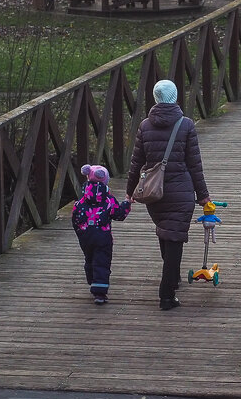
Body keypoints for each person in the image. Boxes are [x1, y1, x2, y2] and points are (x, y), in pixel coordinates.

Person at [126, 79, 211, 311]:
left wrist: (129, 191)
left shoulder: (144, 126)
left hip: (155, 192)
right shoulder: (186, 125)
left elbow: (136, 163)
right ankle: (166, 293)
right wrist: (203, 196)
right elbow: (195, 164)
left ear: (156, 98)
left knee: (166, 233)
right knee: (173, 237)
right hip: (181, 191)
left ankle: (172, 279)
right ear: (174, 97)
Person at [71, 163, 131, 305]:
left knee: (89, 258)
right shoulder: (108, 200)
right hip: (103, 236)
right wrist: (127, 203)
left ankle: (92, 279)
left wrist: (80, 231)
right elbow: (119, 214)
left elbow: (75, 217)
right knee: (102, 262)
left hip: (85, 235)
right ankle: (99, 292)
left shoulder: (80, 201)